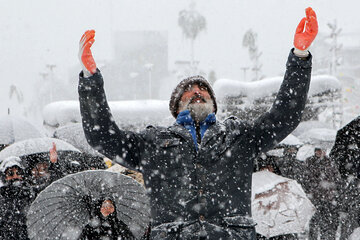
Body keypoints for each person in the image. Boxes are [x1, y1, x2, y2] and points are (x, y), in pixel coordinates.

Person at [78, 7, 318, 239]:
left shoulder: (239, 136)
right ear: (175, 106)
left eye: (203, 89)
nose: (196, 91)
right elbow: (102, 137)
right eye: (187, 90)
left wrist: (299, 57)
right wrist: (90, 80)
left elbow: (285, 116)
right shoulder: (151, 143)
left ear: (213, 103)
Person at [303, 147, 341, 240]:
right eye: (318, 150)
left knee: (326, 222)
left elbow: (336, 177)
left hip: (327, 198)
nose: (319, 152)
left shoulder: (330, 162)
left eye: (321, 150)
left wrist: (332, 189)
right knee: (314, 222)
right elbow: (305, 178)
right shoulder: (309, 161)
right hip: (314, 197)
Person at [0, 156, 32, 240]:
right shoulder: (1, 196)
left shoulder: (30, 194)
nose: (15, 176)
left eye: (18, 173)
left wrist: (54, 164)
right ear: (5, 177)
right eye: (11, 174)